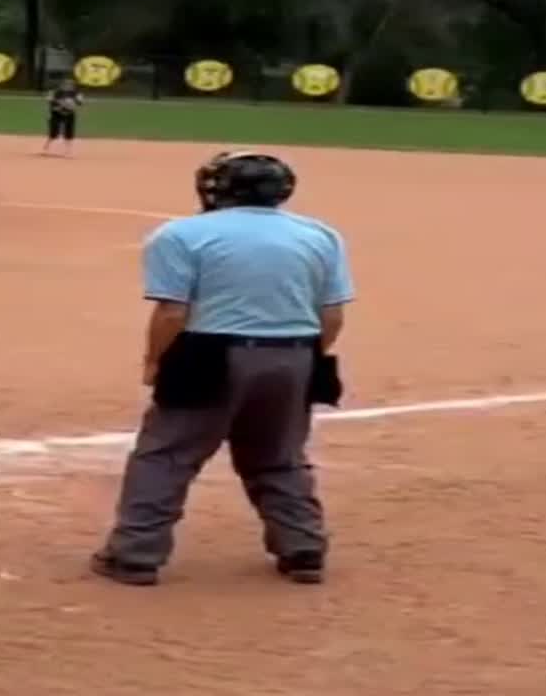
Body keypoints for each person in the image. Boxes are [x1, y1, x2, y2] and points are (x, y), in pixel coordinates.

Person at [90, 151, 354, 587]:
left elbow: (173, 313)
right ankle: (303, 548)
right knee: (279, 457)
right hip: (296, 353)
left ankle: (135, 554)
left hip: (209, 351)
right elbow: (332, 316)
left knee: (166, 455)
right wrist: (301, 358)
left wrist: (156, 361)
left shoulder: (182, 234)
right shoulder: (320, 235)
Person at [42, 77, 84, 156]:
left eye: (70, 85)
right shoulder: (56, 92)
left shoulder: (76, 93)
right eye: (66, 85)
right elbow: (49, 99)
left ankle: (68, 150)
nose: (68, 86)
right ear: (62, 85)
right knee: (54, 132)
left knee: (69, 132)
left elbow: (80, 102)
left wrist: (73, 102)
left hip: (69, 114)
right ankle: (47, 146)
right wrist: (61, 103)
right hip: (57, 113)